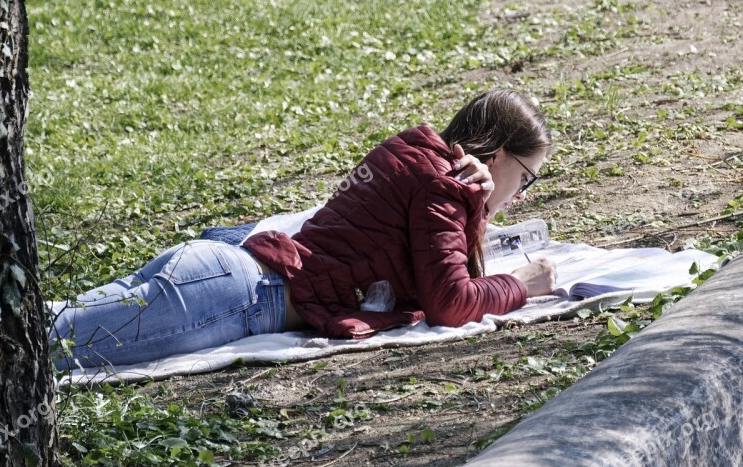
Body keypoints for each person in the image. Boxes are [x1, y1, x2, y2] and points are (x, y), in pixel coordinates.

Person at [49, 88, 557, 370]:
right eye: (528, 178)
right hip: (235, 296)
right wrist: (522, 285)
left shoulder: (415, 153)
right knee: (36, 348)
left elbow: (422, 252)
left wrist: (476, 207)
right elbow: (450, 303)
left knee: (35, 330)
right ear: (497, 154)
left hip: (216, 275)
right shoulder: (443, 185)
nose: (523, 193)